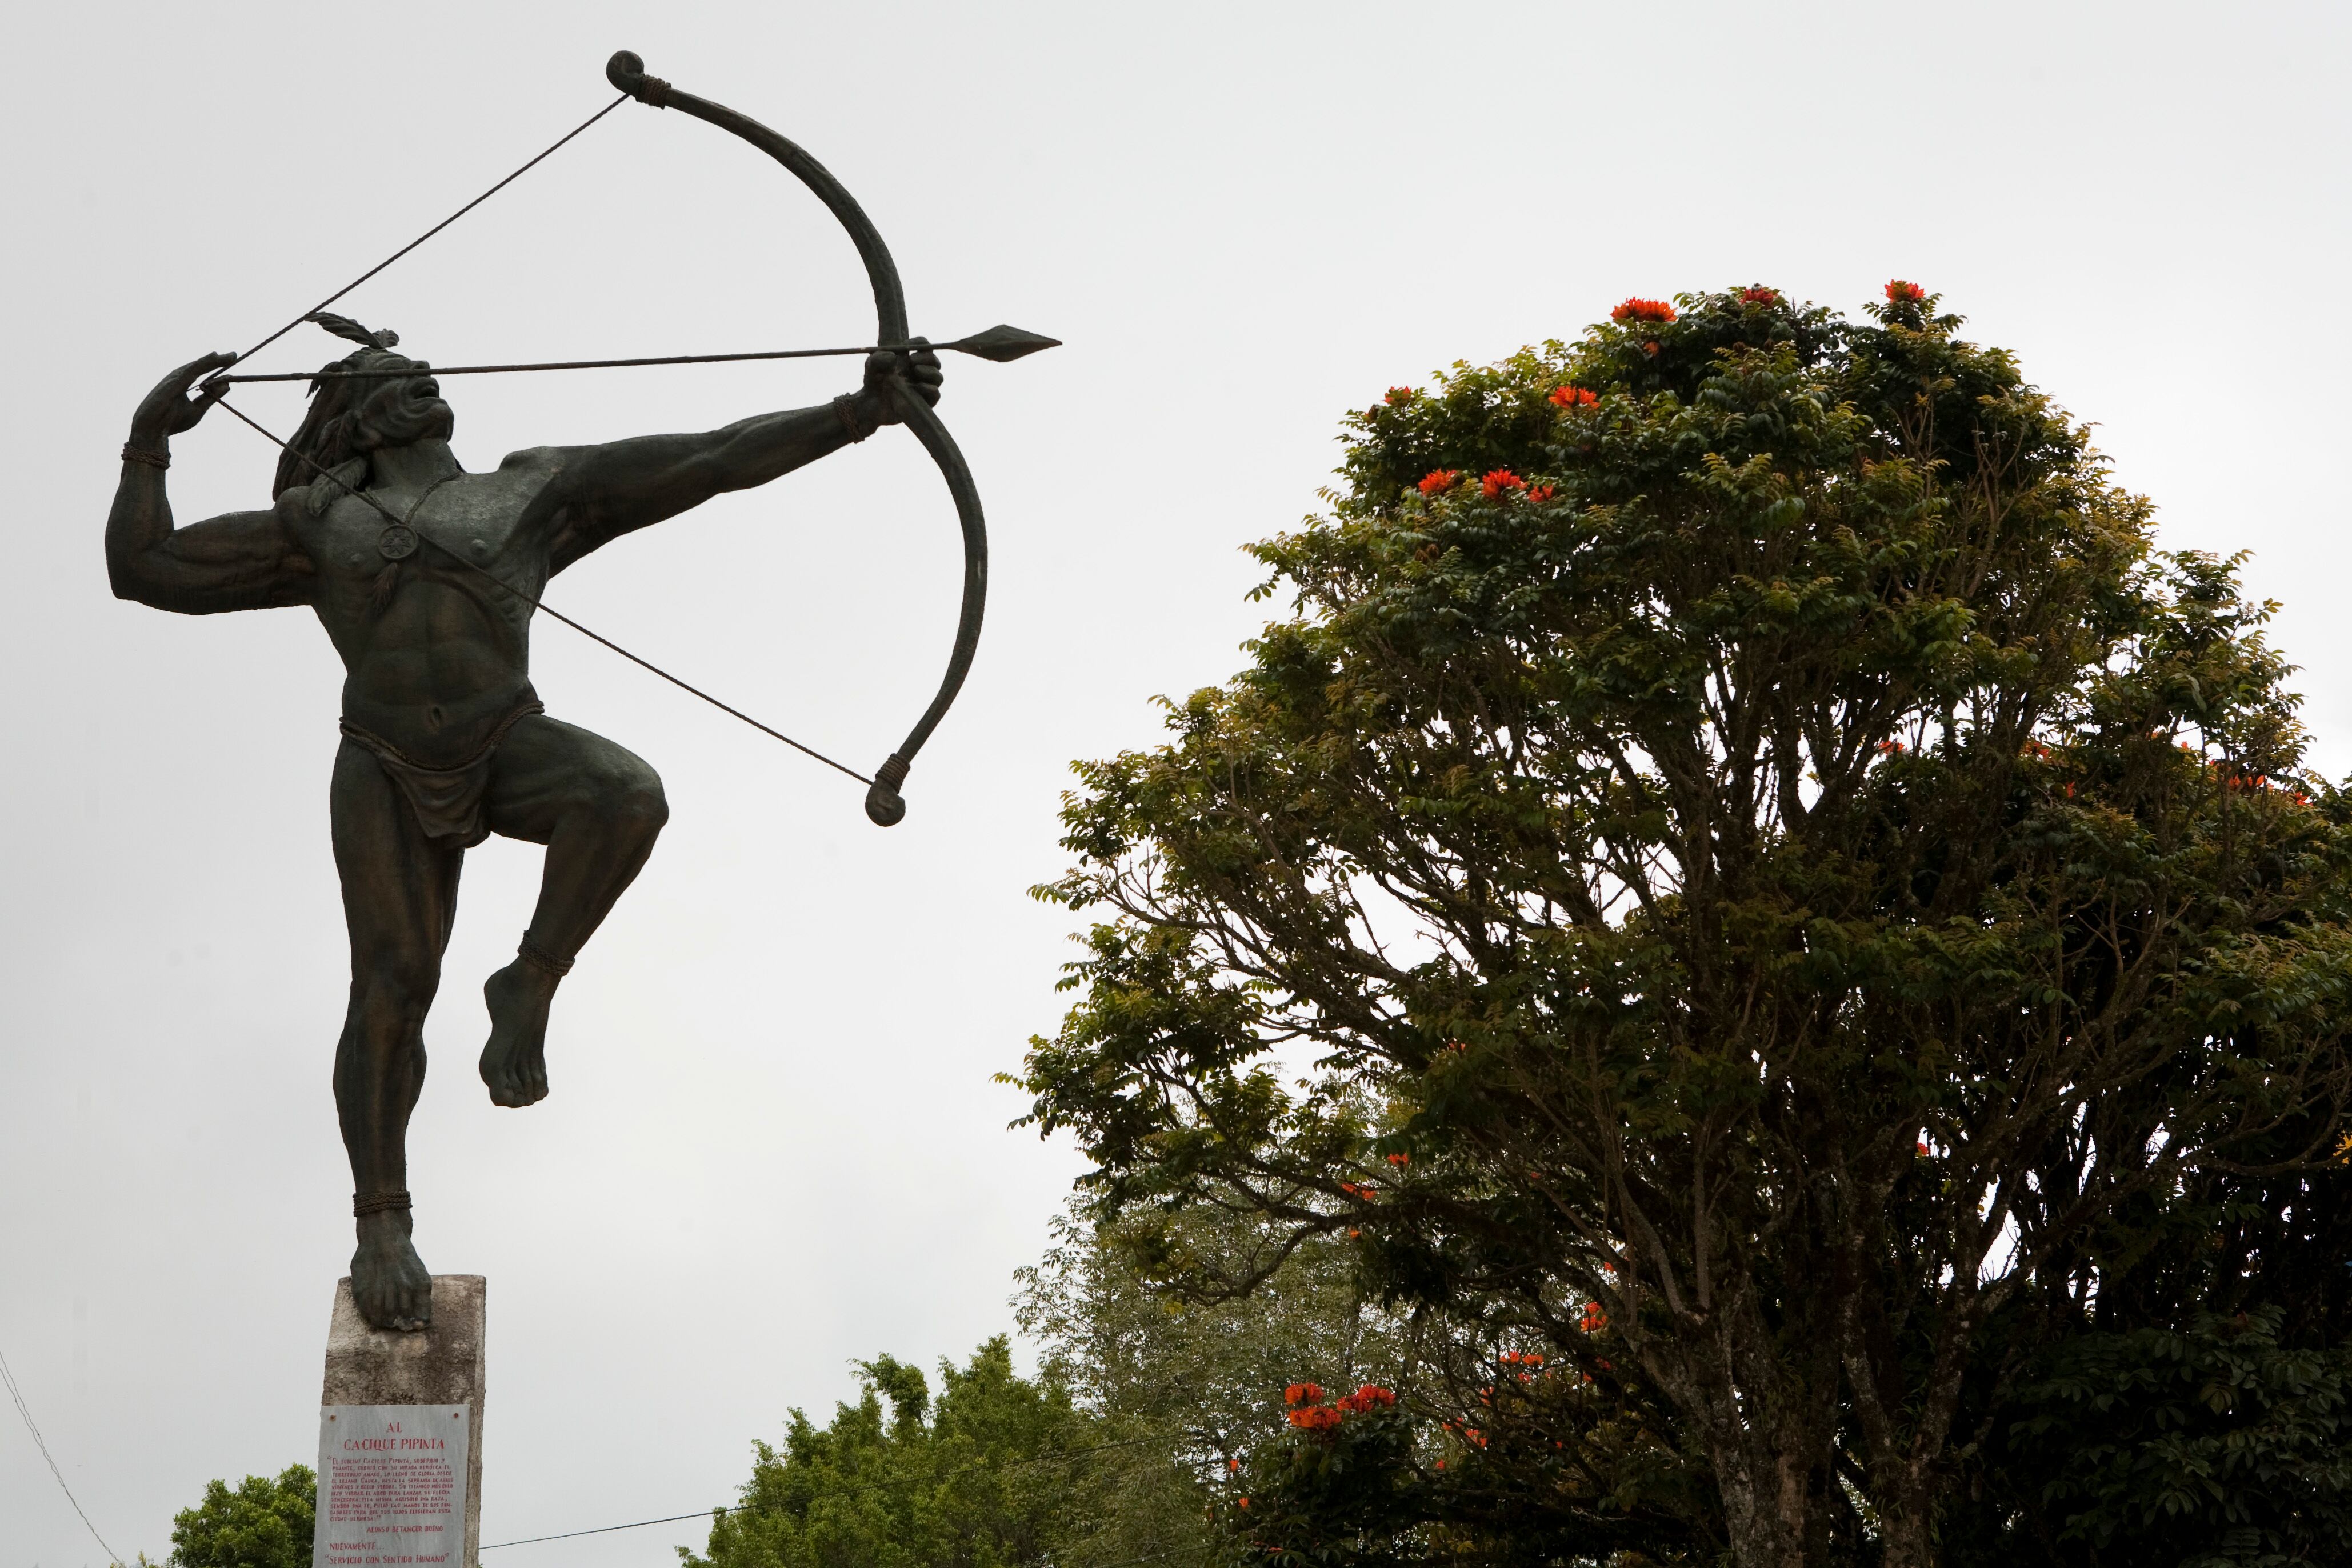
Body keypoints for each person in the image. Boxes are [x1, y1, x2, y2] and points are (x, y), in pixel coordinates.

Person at [106, 317, 943, 1329]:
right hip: (379, 759)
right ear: (354, 409)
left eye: (418, 366)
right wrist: (148, 444)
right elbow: (146, 569)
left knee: (626, 793)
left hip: (505, 738)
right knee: (393, 986)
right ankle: (382, 1220)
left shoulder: (531, 487)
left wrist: (858, 411)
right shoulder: (317, 521)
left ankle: (531, 977)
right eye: (388, 373)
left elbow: (714, 458)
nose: (415, 373)